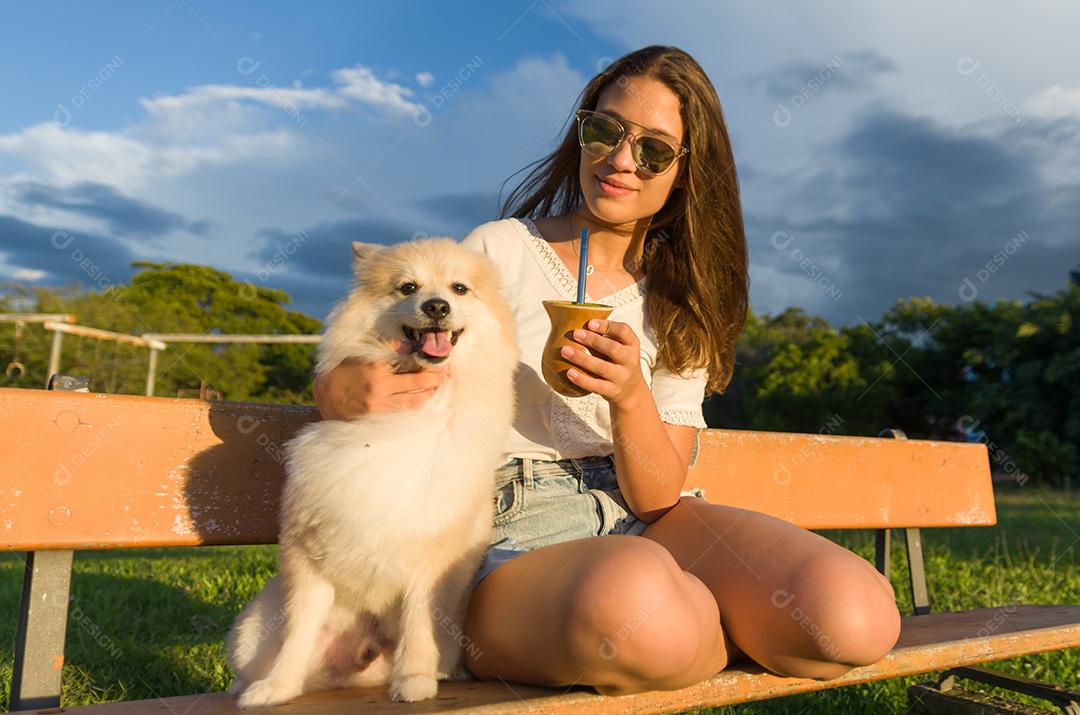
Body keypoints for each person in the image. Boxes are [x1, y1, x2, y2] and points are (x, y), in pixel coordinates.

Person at [313, 45, 900, 696]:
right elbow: (383, 356)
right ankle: (704, 627)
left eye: (653, 149)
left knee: (851, 618)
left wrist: (629, 396)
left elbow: (655, 495)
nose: (621, 160)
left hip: (642, 518)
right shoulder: (498, 250)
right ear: (582, 131)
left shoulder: (682, 301)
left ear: (686, 170)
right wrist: (337, 388)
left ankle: (684, 627)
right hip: (503, 524)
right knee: (643, 611)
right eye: (605, 130)